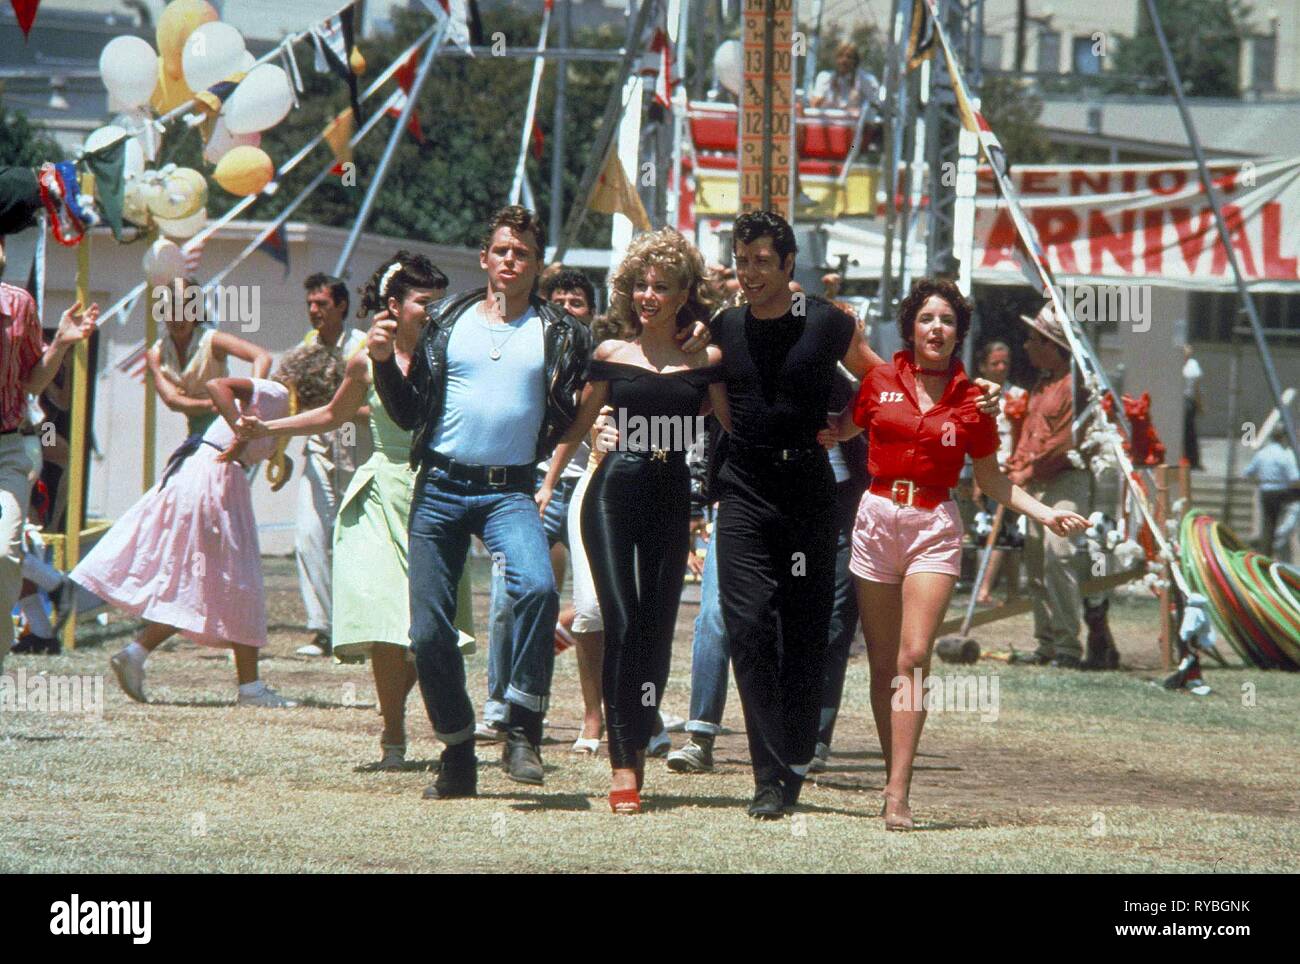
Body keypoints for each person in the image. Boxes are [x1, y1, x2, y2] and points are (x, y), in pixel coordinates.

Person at [615, 211, 1000, 819]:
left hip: (809, 491)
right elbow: (688, 371)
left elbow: (886, 375)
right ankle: (770, 773)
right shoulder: (726, 324)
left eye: (763, 261)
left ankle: (791, 760)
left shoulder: (826, 323)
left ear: (788, 263)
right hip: (743, 485)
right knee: (747, 624)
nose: (750, 274)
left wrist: (961, 395)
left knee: (804, 633)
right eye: (742, 262)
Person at [827, 278, 1087, 830]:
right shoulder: (878, 382)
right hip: (874, 519)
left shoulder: (973, 401)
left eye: (946, 320)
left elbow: (992, 480)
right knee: (880, 665)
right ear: (911, 328)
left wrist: (1045, 514)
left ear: (959, 333)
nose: (936, 328)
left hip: (934, 525)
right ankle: (891, 770)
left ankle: (899, 792)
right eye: (926, 319)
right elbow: (839, 426)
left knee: (913, 657)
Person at [542, 228, 728, 814]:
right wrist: (545, 485)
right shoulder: (609, 355)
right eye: (641, 286)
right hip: (611, 493)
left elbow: (734, 427)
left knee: (653, 632)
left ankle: (641, 734)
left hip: (673, 500)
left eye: (662, 287)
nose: (649, 295)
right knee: (620, 623)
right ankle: (624, 768)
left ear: (683, 295)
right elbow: (576, 426)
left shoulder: (707, 359)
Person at [238, 255, 450, 765]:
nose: (435, 311)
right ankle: (393, 733)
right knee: (382, 620)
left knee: (426, 632)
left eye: (439, 302)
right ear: (395, 306)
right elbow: (332, 413)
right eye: (425, 301)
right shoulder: (364, 359)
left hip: (435, 491)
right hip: (378, 490)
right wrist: (269, 431)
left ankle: (416, 717)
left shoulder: (451, 356)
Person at [73, 345, 340, 707]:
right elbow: (218, 385)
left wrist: (278, 456)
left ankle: (137, 653)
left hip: (215, 478)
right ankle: (250, 689)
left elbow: (256, 435)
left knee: (210, 582)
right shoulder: (275, 391)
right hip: (214, 480)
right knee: (240, 581)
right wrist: (240, 430)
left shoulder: (283, 407)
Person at [479, 267, 597, 744]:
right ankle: (499, 703)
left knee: (598, 604)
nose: (568, 309)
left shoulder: (604, 355)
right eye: (560, 301)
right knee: (512, 596)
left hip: (588, 488)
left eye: (578, 302)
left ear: (592, 311)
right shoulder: (525, 350)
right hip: (530, 488)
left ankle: (618, 710)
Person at [0, 284, 98, 675]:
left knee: (15, 547)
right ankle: (47, 612)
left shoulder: (24, 325)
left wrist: (61, 346)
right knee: (21, 550)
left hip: (31, 433)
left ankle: (55, 590)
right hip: (35, 431)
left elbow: (49, 408)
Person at [1005, 305, 1096, 669]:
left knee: (1060, 554)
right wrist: (1015, 465)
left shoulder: (1076, 388)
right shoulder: (1041, 385)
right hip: (1034, 482)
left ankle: (1068, 648)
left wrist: (1027, 470)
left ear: (1054, 346)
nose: (1026, 346)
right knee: (1035, 559)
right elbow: (1030, 436)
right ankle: (1045, 644)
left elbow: (1063, 443)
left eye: (1034, 340)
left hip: (1065, 480)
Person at [293, 273, 374, 658]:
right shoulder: (305, 349)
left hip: (357, 450)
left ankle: (356, 629)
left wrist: (337, 411)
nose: (314, 311)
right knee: (308, 534)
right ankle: (321, 629)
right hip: (319, 450)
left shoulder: (363, 347)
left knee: (353, 542)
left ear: (341, 306)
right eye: (310, 304)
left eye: (322, 304)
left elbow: (378, 408)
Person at [146, 277, 271, 437]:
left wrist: (250, 401)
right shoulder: (157, 353)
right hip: (197, 431)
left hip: (227, 426)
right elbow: (172, 400)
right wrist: (212, 404)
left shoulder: (212, 340)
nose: (179, 318)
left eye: (186, 309)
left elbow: (262, 356)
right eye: (172, 309)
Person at [973, 340, 1027, 605]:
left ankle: (1012, 591)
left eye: (1005, 362)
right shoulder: (974, 392)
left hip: (1011, 468)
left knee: (1010, 528)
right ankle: (984, 589)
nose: (1001, 367)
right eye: (995, 363)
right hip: (985, 467)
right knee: (992, 529)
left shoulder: (1017, 394)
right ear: (984, 365)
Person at [1244, 424, 1300, 562]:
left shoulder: (1261, 454)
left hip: (1265, 491)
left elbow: (1247, 472)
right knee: (1293, 507)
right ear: (1282, 438)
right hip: (1280, 491)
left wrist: (1257, 481)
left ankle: (1265, 552)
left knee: (1268, 522)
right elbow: (1295, 478)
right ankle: (1278, 536)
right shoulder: (1284, 455)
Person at [810, 42, 881, 116]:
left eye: (849, 57)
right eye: (840, 56)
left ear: (855, 61)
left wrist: (859, 110)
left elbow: (875, 106)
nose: (844, 61)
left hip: (857, 125)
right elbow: (814, 104)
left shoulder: (867, 80)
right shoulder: (824, 77)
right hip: (829, 124)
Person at [1182, 344, 1203, 471]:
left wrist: (1199, 404)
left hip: (1187, 400)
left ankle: (1191, 459)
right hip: (1187, 401)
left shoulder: (1192, 366)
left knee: (1188, 432)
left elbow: (1197, 389)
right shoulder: (1192, 366)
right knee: (1188, 432)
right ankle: (1191, 459)